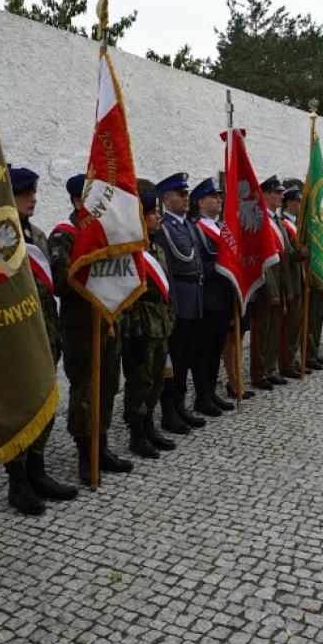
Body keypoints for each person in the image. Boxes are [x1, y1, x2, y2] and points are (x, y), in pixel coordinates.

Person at [49, 174, 133, 485]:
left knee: (108, 386)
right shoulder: (64, 235)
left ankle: (102, 444)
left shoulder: (106, 232)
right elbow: (60, 284)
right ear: (77, 201)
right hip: (81, 325)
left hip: (108, 321)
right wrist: (89, 266)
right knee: (85, 389)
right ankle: (86, 452)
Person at [5, 167, 78, 513]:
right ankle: (16, 477)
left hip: (47, 334)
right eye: (25, 193)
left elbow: (56, 286)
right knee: (20, 407)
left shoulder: (37, 236)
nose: (33, 199)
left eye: (34, 192)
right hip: (18, 341)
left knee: (44, 403)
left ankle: (37, 467)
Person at [122, 190, 176, 458]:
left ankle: (149, 425)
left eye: (157, 212)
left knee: (156, 380)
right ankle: (137, 433)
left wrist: (170, 320)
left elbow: (166, 291)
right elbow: (128, 296)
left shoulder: (157, 250)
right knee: (139, 381)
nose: (157, 217)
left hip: (160, 325)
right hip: (141, 327)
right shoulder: (131, 253)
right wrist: (133, 333)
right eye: (151, 212)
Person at [154, 172, 206, 433]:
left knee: (185, 357)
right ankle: (169, 411)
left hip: (194, 300)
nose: (187, 198)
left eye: (187, 194)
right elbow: (167, 271)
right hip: (179, 303)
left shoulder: (188, 226)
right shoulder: (163, 228)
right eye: (181, 194)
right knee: (173, 360)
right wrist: (172, 304)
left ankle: (181, 406)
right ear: (167, 198)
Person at [190, 177, 234, 414]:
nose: (219, 200)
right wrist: (224, 267)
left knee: (217, 348)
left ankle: (211, 391)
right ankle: (202, 396)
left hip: (224, 296)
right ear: (201, 202)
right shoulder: (197, 228)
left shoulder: (222, 227)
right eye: (214, 196)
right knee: (203, 350)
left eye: (219, 196)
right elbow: (199, 263)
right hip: (207, 298)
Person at [250, 176, 292, 389]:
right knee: (262, 331)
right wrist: (272, 289)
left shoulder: (278, 221)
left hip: (280, 280)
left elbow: (285, 257)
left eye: (281, 193)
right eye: (276, 193)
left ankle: (270, 368)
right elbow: (260, 257)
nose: (281, 196)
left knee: (275, 329)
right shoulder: (259, 220)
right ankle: (258, 374)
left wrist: (288, 288)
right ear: (265, 195)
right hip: (266, 283)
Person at [279, 187, 307, 379]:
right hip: (291, 279)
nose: (300, 205)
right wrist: (301, 253)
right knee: (289, 326)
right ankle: (286, 363)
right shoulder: (283, 224)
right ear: (289, 202)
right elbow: (286, 255)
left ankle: (292, 359)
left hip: (300, 278)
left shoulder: (297, 224)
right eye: (298, 201)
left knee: (297, 324)